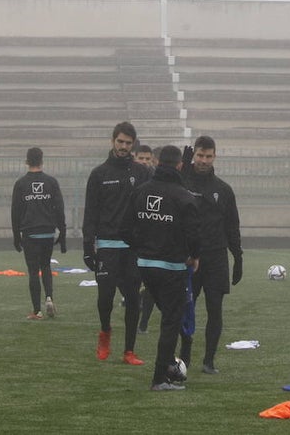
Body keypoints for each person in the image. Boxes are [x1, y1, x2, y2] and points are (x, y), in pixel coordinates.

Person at [119, 145, 200, 392]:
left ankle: (169, 367)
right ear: (179, 166)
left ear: (156, 162)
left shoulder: (140, 192)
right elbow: (194, 235)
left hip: (145, 265)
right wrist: (193, 256)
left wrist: (143, 247)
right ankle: (160, 379)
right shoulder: (184, 196)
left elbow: (124, 229)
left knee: (168, 316)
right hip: (172, 267)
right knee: (171, 322)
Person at [83, 121, 152, 365]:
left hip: (132, 247)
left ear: (133, 145)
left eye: (128, 143)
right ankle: (105, 333)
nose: (123, 147)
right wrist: (87, 246)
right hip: (107, 245)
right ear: (113, 141)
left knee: (133, 299)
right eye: (120, 142)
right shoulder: (99, 174)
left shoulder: (143, 173)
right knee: (105, 297)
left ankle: (129, 351)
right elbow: (90, 212)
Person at [178, 135, 243, 375]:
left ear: (215, 156)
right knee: (187, 308)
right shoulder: (182, 182)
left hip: (216, 258)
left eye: (208, 156)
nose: (203, 160)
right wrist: (182, 172)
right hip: (188, 258)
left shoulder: (223, 190)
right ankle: (184, 356)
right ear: (193, 155)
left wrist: (238, 257)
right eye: (199, 155)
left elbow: (232, 226)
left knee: (215, 308)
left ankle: (209, 360)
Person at [10, 147, 66, 320]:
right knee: (46, 266)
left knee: (33, 270)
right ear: (42, 161)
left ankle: (37, 311)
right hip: (47, 232)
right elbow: (59, 208)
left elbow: (15, 212)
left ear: (26, 161)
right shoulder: (51, 182)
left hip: (30, 233)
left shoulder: (20, 184)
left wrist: (15, 235)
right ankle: (49, 298)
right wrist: (62, 232)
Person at [134, 145, 160, 334]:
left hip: (151, 237)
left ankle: (143, 323)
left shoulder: (155, 180)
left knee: (150, 282)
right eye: (141, 158)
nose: (144, 162)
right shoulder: (129, 176)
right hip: (132, 236)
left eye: (147, 159)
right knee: (128, 278)